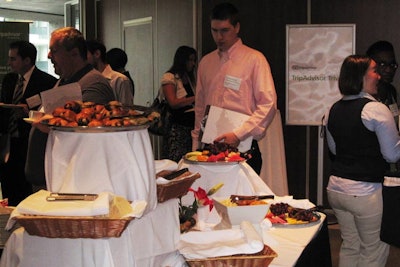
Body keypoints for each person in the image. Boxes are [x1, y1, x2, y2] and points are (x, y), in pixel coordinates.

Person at [324, 55, 400, 267]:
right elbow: (392, 155)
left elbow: (334, 150)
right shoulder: (376, 109)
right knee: (372, 250)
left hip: (336, 189)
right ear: (361, 76)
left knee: (350, 245)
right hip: (366, 191)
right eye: (374, 71)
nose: (379, 76)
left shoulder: (332, 109)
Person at [191, 2, 277, 174]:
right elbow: (200, 107)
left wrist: (238, 134)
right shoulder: (206, 62)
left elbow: (268, 104)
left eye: (224, 30)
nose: (219, 37)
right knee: (209, 199)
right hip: (209, 148)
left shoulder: (254, 60)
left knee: (241, 199)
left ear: (236, 27)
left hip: (242, 148)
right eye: (214, 31)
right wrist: (195, 146)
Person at [25, 27, 115, 188]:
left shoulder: (94, 83)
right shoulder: (65, 80)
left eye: (54, 50)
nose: (48, 56)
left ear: (74, 53)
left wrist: (50, 124)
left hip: (73, 181)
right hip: (54, 179)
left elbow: (85, 127)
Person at [0, 41, 58, 205]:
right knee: (9, 188)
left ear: (27, 60)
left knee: (28, 191)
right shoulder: (9, 80)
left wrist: (28, 112)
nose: (9, 63)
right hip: (8, 143)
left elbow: (50, 114)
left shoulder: (46, 81)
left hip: (29, 141)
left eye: (13, 59)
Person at [161, 45, 197, 162]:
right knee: (175, 159)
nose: (193, 63)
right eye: (190, 60)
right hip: (176, 127)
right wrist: (195, 98)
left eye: (194, 60)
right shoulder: (170, 77)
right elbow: (173, 102)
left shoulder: (190, 78)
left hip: (190, 126)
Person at [86, 40, 134, 105]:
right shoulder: (88, 80)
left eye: (85, 54)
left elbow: (127, 109)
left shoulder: (120, 80)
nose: (83, 59)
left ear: (97, 54)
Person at [366, 40, 398, 124]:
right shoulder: (363, 96)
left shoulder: (391, 91)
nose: (388, 70)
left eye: (392, 65)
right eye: (382, 64)